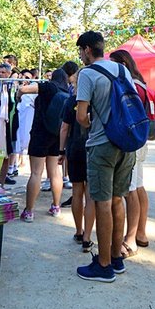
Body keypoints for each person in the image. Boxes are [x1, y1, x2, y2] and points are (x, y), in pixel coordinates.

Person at [75, 31, 135, 283]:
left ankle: (103, 264)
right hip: (126, 143)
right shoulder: (123, 71)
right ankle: (116, 257)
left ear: (88, 49)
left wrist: (90, 124)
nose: (79, 55)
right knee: (118, 200)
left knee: (101, 202)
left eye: (80, 51)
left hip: (102, 144)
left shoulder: (87, 74)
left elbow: (81, 116)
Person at [19, 62, 79, 222]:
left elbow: (24, 89)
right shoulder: (67, 92)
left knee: (36, 173)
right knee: (55, 173)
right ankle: (56, 206)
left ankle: (29, 211)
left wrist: (20, 92)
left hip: (40, 135)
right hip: (56, 137)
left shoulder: (48, 87)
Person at [109, 49, 152, 256]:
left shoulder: (131, 85)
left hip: (132, 141)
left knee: (130, 189)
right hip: (140, 139)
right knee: (138, 186)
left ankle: (131, 238)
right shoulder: (140, 83)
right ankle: (140, 233)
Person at [60, 70, 95, 254]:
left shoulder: (71, 101)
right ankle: (88, 237)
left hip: (74, 148)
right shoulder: (96, 101)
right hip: (93, 148)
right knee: (90, 195)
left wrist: (60, 151)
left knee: (77, 191)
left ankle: (78, 231)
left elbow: (64, 127)